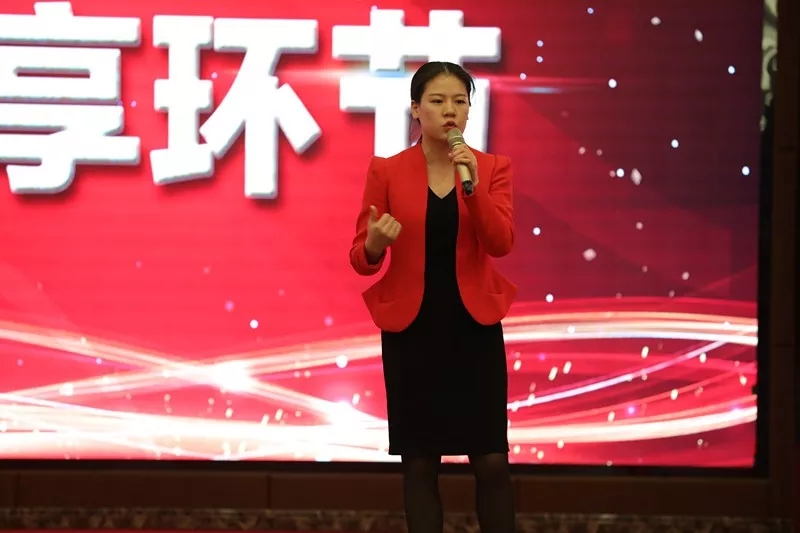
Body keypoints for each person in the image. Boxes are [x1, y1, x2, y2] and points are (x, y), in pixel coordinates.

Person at [349, 61, 517, 533]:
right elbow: (361, 258)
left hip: (473, 328)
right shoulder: (387, 170)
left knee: (491, 461)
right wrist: (375, 244)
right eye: (438, 101)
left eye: (460, 101)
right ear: (415, 109)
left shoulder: (492, 167)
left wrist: (472, 185)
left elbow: (500, 242)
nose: (450, 111)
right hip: (413, 330)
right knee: (420, 462)